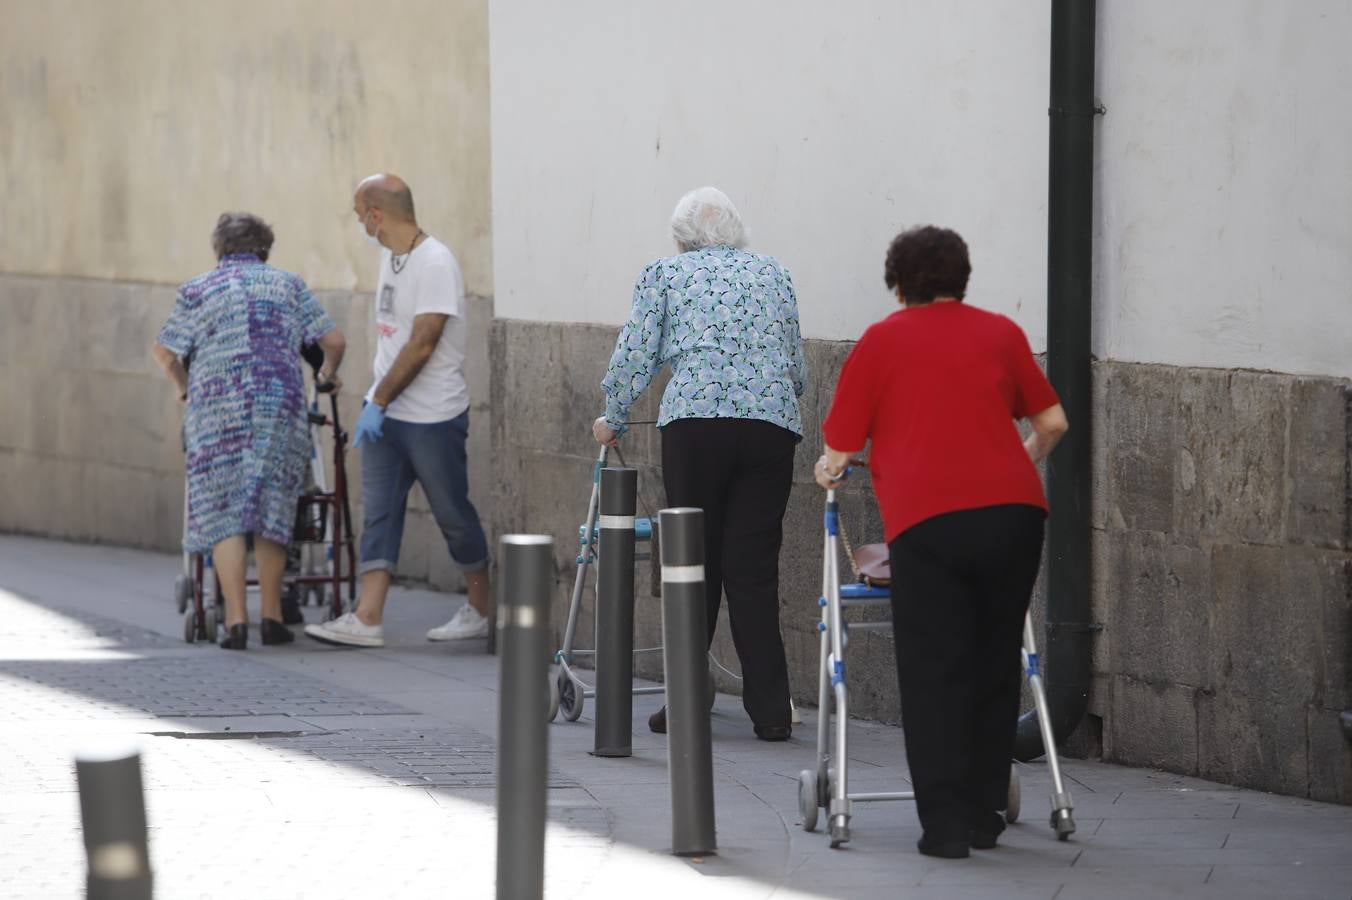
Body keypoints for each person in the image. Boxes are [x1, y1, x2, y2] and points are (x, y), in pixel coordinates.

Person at [817, 225, 1069, 859]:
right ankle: (986, 814)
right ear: (963, 279)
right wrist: (1018, 455)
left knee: (934, 670)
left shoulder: (881, 341)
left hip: (929, 522)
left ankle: (947, 828)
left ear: (899, 284)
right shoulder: (1001, 334)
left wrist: (831, 469)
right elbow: (1053, 422)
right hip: (1014, 516)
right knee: (991, 662)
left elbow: (840, 449)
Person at [593, 186, 806, 741]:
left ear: (683, 239)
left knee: (694, 562)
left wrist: (613, 412)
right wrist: (775, 395)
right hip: (770, 426)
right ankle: (772, 711)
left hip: (696, 426)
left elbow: (637, 349)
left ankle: (687, 699)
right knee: (754, 567)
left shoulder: (665, 274)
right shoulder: (774, 272)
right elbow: (795, 361)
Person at [306, 174, 492, 648]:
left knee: (452, 513)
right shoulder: (391, 257)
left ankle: (480, 608)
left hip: (433, 417)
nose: (358, 223)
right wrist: (374, 400)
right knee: (379, 515)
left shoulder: (436, 262)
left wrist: (379, 401)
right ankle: (367, 617)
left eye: (358, 214)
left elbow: (423, 343)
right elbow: (393, 338)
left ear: (376, 214)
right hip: (386, 415)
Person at [153, 212, 346, 650]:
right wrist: (326, 375)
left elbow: (165, 351)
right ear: (265, 249)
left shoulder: (198, 290)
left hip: (217, 414)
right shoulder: (289, 285)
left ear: (219, 248)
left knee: (224, 513)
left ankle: (237, 621)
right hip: (279, 411)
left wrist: (184, 387)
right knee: (274, 507)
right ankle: (274, 616)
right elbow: (333, 341)